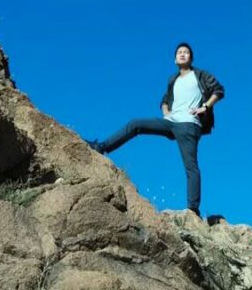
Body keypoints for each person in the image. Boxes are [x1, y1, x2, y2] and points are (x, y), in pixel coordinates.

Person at [86, 42, 225, 218]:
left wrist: (205, 107)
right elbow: (165, 100)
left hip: (189, 124)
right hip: (170, 122)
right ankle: (102, 147)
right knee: (136, 124)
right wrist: (166, 112)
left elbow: (218, 90)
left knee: (190, 166)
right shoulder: (173, 80)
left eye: (186, 52)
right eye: (179, 52)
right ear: (175, 59)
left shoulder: (200, 75)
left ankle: (193, 210)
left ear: (191, 58)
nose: (182, 54)